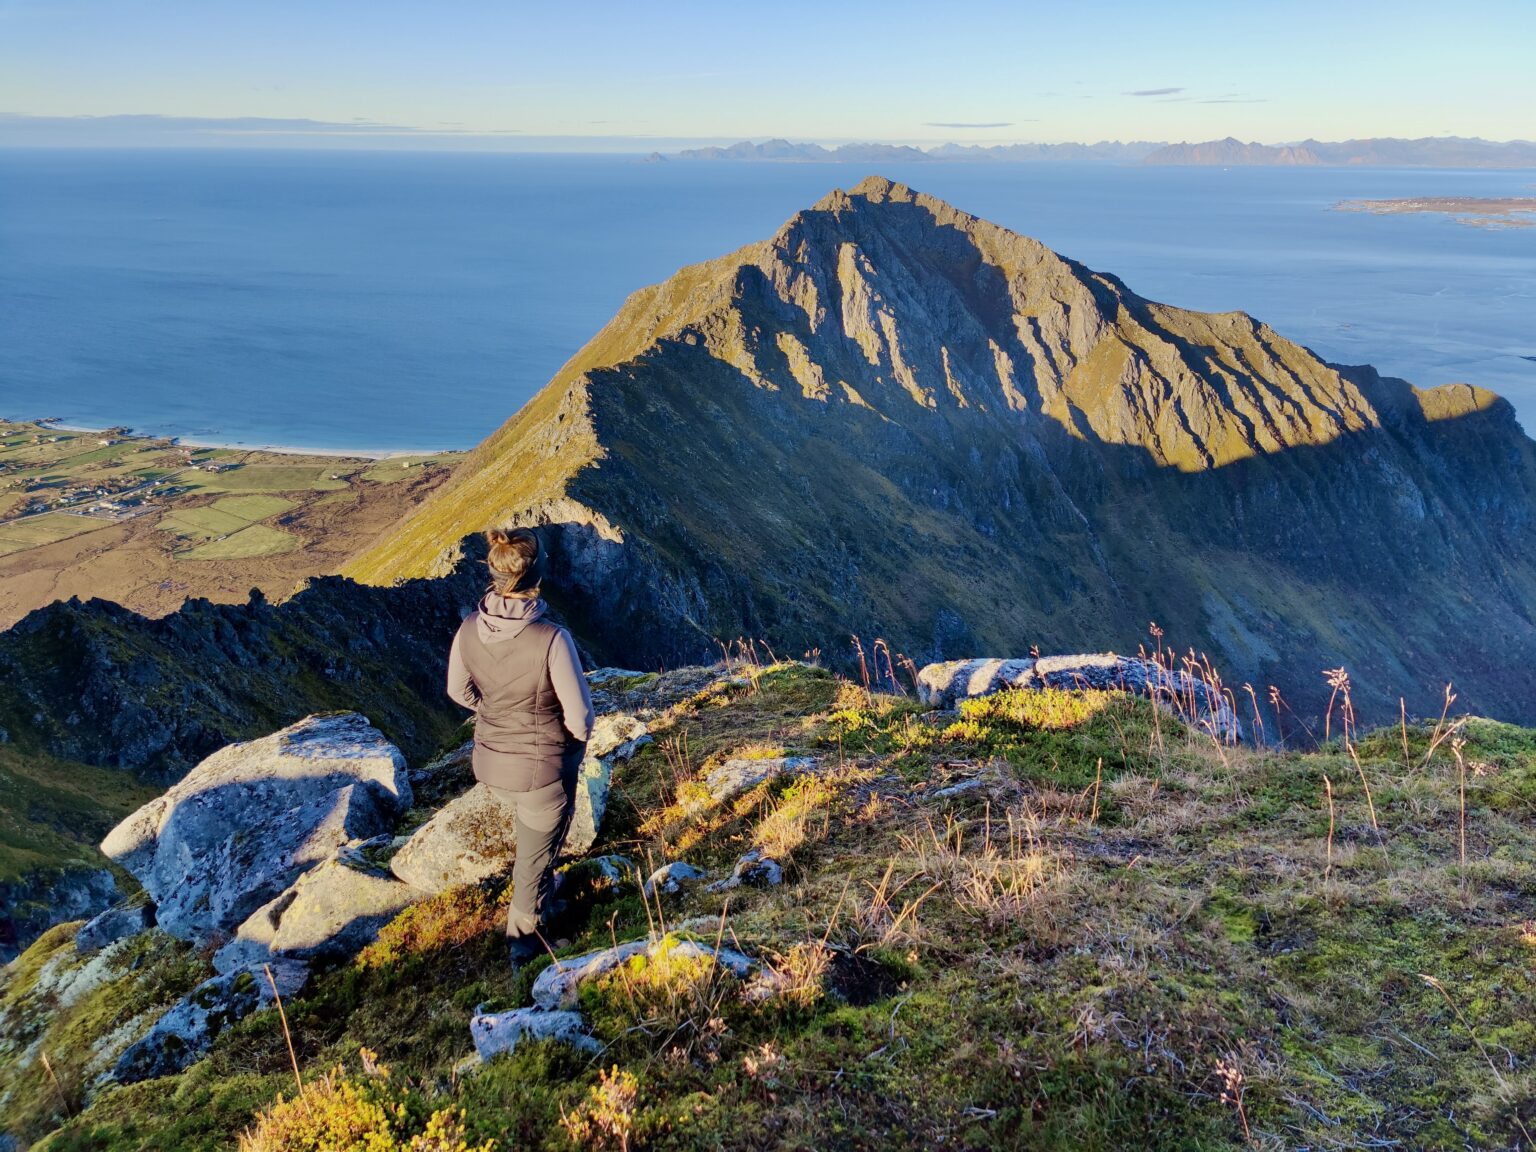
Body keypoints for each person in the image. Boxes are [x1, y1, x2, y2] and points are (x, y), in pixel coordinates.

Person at [446, 525, 595, 967]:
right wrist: (565, 741)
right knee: (532, 860)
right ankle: (524, 944)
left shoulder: (469, 627)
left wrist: (496, 714)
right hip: (540, 774)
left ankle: (542, 901)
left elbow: (457, 691)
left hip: (489, 761)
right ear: (538, 578)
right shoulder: (550, 639)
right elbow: (581, 720)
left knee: (535, 844)